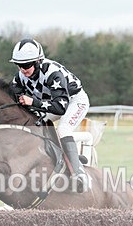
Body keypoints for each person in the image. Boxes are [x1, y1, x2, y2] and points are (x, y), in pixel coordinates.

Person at [8, 38, 91, 192]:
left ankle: (79, 174)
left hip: (74, 101)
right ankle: (63, 157)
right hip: (52, 103)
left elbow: (60, 108)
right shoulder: (21, 76)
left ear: (38, 61)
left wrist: (33, 102)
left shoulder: (53, 74)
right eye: (18, 65)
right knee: (34, 123)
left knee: (63, 130)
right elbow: (12, 95)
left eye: (26, 65)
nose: (22, 70)